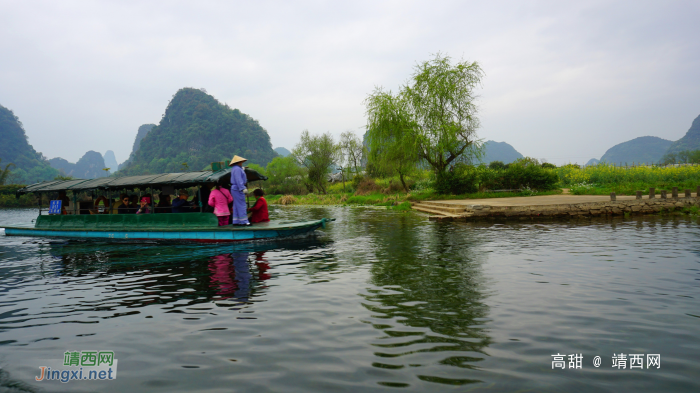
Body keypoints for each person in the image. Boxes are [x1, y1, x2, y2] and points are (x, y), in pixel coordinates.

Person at [229, 155, 250, 226]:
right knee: (242, 204)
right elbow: (238, 179)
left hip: (234, 189)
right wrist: (242, 188)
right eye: (241, 162)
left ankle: (236, 221)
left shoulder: (235, 168)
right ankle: (244, 221)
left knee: (236, 205)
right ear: (239, 162)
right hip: (238, 188)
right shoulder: (237, 169)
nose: (242, 163)